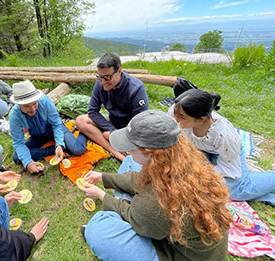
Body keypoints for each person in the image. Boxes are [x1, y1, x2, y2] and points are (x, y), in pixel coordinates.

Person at [78, 110, 232, 261]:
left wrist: (102, 196)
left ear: (151, 153)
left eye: (131, 148)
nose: (128, 151)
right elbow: (138, 179)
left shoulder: (155, 203)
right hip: (173, 235)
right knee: (130, 162)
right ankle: (126, 203)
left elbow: (136, 218)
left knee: (99, 227)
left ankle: (112, 219)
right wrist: (104, 177)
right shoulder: (178, 159)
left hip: (175, 253)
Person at [170, 88, 275, 206]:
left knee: (235, 191)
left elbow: (229, 169)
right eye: (175, 113)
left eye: (181, 117)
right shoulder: (178, 111)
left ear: (201, 120)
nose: (175, 119)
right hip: (195, 150)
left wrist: (200, 171)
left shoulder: (223, 137)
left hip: (225, 157)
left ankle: (269, 176)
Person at [75, 53, 149, 161]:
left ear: (119, 71)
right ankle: (116, 152)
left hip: (131, 128)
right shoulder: (100, 83)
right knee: (80, 120)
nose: (103, 82)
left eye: (107, 77)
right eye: (100, 77)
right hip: (113, 123)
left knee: (146, 146)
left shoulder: (136, 88)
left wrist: (119, 134)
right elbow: (92, 111)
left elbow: (140, 122)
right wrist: (112, 130)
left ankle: (121, 146)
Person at [9, 80, 87, 174]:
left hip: (54, 129)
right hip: (37, 136)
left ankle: (84, 132)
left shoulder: (45, 101)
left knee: (78, 150)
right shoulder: (14, 115)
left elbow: (57, 124)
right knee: (17, 157)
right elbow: (18, 143)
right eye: (27, 106)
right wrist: (28, 162)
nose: (33, 109)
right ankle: (55, 150)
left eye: (34, 103)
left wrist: (59, 143)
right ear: (18, 104)